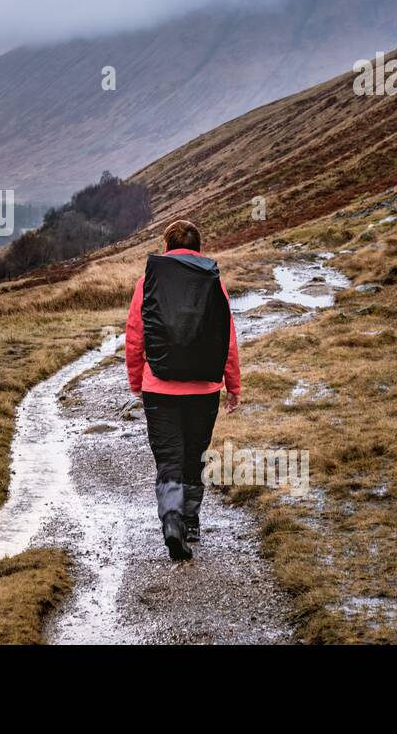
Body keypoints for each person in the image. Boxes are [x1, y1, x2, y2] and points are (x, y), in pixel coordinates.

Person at [125, 218, 240, 561]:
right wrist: (232, 385)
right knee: (195, 455)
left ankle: (172, 520)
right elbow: (227, 339)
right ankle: (190, 521)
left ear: (167, 245)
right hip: (204, 389)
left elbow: (135, 337)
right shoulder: (213, 283)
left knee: (169, 458)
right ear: (198, 246)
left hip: (159, 389)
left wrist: (137, 381)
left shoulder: (148, 283)